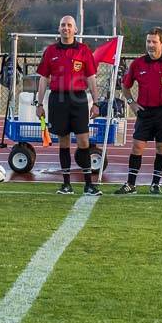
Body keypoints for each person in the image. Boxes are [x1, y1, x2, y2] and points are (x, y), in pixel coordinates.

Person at [115, 27, 162, 195]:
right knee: (137, 146)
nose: (150, 45)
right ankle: (131, 184)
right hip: (144, 112)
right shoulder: (138, 64)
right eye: (148, 41)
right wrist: (131, 103)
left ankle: (155, 184)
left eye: (154, 42)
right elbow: (125, 86)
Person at [35, 15, 102, 197]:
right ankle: (66, 184)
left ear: (75, 30)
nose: (66, 28)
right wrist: (39, 103)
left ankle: (89, 185)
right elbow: (43, 79)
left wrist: (95, 103)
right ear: (59, 29)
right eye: (63, 25)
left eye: (69, 25)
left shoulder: (83, 50)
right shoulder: (50, 51)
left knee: (84, 141)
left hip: (79, 99)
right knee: (63, 141)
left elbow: (91, 79)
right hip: (58, 99)